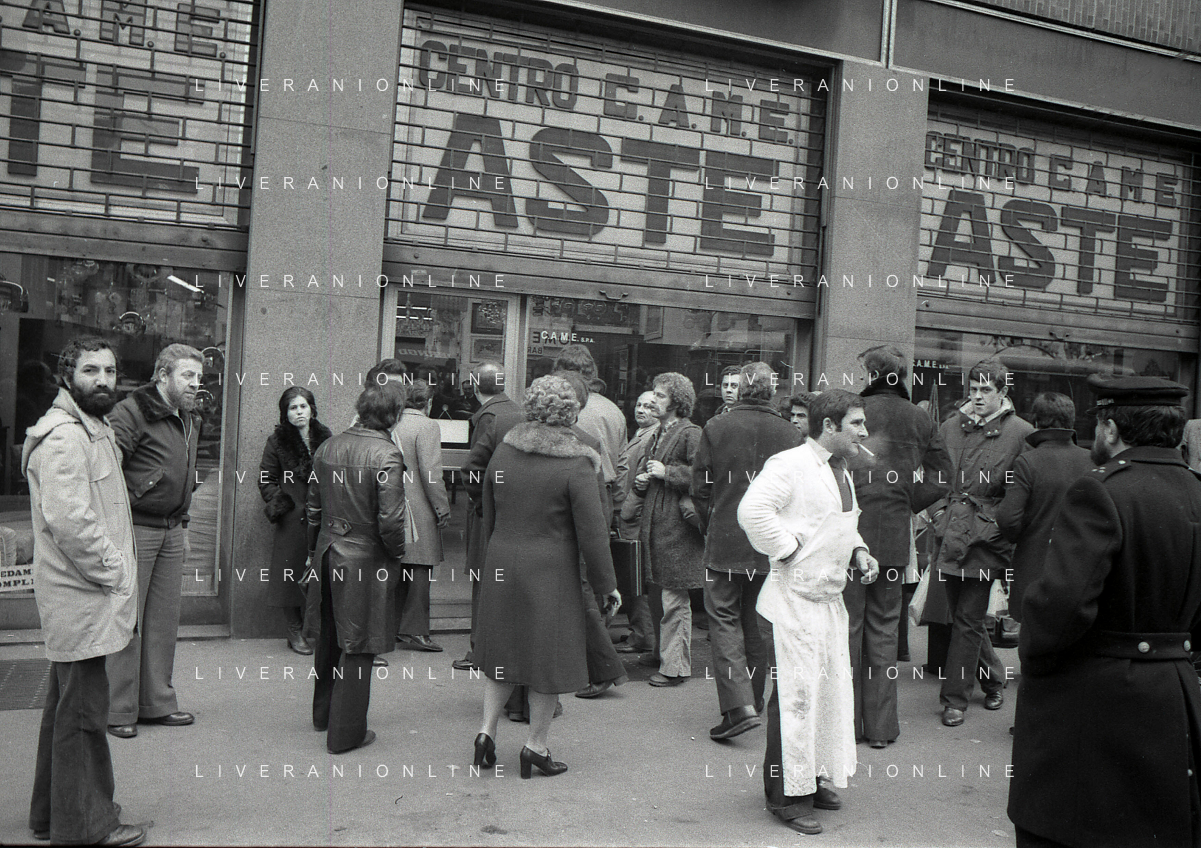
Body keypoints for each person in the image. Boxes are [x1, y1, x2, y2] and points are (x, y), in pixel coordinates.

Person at [1009, 376, 1201, 848]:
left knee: (1069, 831)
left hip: (1093, 700)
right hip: (1175, 693)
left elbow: (1062, 605)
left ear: (1111, 429)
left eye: (1098, 424)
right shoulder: (1196, 491)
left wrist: (1035, 658)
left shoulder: (1100, 491)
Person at [737, 389, 879, 836]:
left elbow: (841, 523)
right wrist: (787, 550)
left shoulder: (842, 469)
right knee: (794, 700)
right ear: (829, 426)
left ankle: (811, 780)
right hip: (790, 603)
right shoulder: (789, 464)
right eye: (856, 423)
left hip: (827, 603)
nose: (864, 432)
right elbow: (752, 511)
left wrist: (859, 552)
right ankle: (785, 797)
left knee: (825, 694)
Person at [23, 338, 145, 847]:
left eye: (110, 371)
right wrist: (116, 571)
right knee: (83, 719)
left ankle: (52, 815)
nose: (103, 380)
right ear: (66, 376)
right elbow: (72, 523)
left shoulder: (91, 428)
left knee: (67, 710)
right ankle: (86, 827)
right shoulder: (65, 438)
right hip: (82, 597)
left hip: (84, 596)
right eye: (91, 370)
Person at [473, 375, 619, 778]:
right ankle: (535, 747)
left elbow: (489, 512)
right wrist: (607, 586)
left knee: (503, 653)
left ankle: (485, 734)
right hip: (551, 571)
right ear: (572, 413)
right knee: (546, 660)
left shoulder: (504, 452)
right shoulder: (577, 462)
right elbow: (593, 533)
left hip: (502, 560)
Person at [847, 346, 951, 748]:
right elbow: (943, 476)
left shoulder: (854, 410)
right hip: (892, 533)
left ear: (873, 372)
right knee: (884, 630)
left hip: (850, 531)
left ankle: (848, 726)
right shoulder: (920, 418)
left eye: (863, 370)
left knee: (848, 629)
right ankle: (881, 728)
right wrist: (907, 500)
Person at [693, 362, 801, 740]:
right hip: (769, 542)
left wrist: (709, 524)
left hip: (725, 537)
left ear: (740, 390)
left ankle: (739, 707)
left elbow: (701, 487)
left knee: (724, 621)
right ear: (772, 391)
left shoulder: (716, 427)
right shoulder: (791, 432)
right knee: (757, 624)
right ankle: (752, 701)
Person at [106, 343, 204, 739]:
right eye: (187, 375)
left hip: (171, 528)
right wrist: (115, 526)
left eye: (199, 377)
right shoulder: (130, 412)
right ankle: (118, 709)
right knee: (127, 619)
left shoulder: (189, 418)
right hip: (136, 527)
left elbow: (185, 476)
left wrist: (184, 525)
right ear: (163, 375)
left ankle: (157, 703)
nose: (195, 383)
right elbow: (107, 471)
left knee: (163, 621)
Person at [306, 381, 408, 754]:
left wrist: (312, 550)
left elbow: (313, 507)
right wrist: (396, 554)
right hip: (364, 556)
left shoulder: (328, 446)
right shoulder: (387, 454)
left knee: (330, 637)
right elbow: (391, 520)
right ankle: (345, 733)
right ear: (394, 416)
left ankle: (324, 715)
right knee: (359, 643)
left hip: (327, 549)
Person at [933, 359, 1032, 727]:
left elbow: (1022, 490)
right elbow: (934, 475)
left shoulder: (1021, 432)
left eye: (985, 390)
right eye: (972, 389)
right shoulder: (949, 426)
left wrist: (1000, 526)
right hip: (950, 532)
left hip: (987, 538)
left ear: (1002, 392)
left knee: (968, 618)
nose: (977, 396)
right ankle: (993, 679)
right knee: (964, 619)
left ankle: (954, 700)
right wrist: (938, 512)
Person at [995, 391, 1094, 624]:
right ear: (1071, 421)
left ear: (1036, 422)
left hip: (1033, 566)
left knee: (1032, 636)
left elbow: (1008, 518)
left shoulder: (1027, 462)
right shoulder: (1092, 460)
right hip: (1080, 568)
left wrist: (1021, 537)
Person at [631, 372, 704, 687]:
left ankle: (675, 667)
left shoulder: (691, 433)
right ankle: (663, 654)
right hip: (659, 526)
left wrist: (667, 472)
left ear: (676, 401)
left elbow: (704, 477)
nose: (652, 400)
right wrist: (643, 480)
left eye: (660, 395)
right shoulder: (659, 432)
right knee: (660, 593)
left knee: (674, 598)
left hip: (677, 530)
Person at [455, 362, 524, 671]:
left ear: (473, 385)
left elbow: (473, 469)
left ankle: (479, 650)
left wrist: (482, 505)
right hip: (514, 511)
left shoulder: (489, 417)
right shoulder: (518, 412)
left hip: (490, 512)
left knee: (483, 581)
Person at [259, 387, 332, 656]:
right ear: (285, 413)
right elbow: (265, 479)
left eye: (303, 406)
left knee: (322, 574)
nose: (299, 412)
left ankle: (319, 629)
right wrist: (284, 505)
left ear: (312, 409)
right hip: (293, 518)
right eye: (293, 408)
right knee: (289, 572)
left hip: (323, 516)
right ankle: (294, 629)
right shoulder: (277, 441)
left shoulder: (326, 438)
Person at [393, 380, 451, 653]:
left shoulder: (392, 421)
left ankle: (396, 626)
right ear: (427, 402)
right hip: (419, 507)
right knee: (420, 569)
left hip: (392, 503)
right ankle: (415, 630)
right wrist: (442, 508)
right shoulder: (427, 426)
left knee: (398, 567)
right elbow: (431, 473)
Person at [613, 391, 660, 654]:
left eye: (649, 406)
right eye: (639, 404)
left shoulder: (651, 438)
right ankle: (640, 633)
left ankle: (643, 636)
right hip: (631, 513)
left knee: (637, 577)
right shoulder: (641, 434)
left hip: (635, 515)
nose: (641, 410)